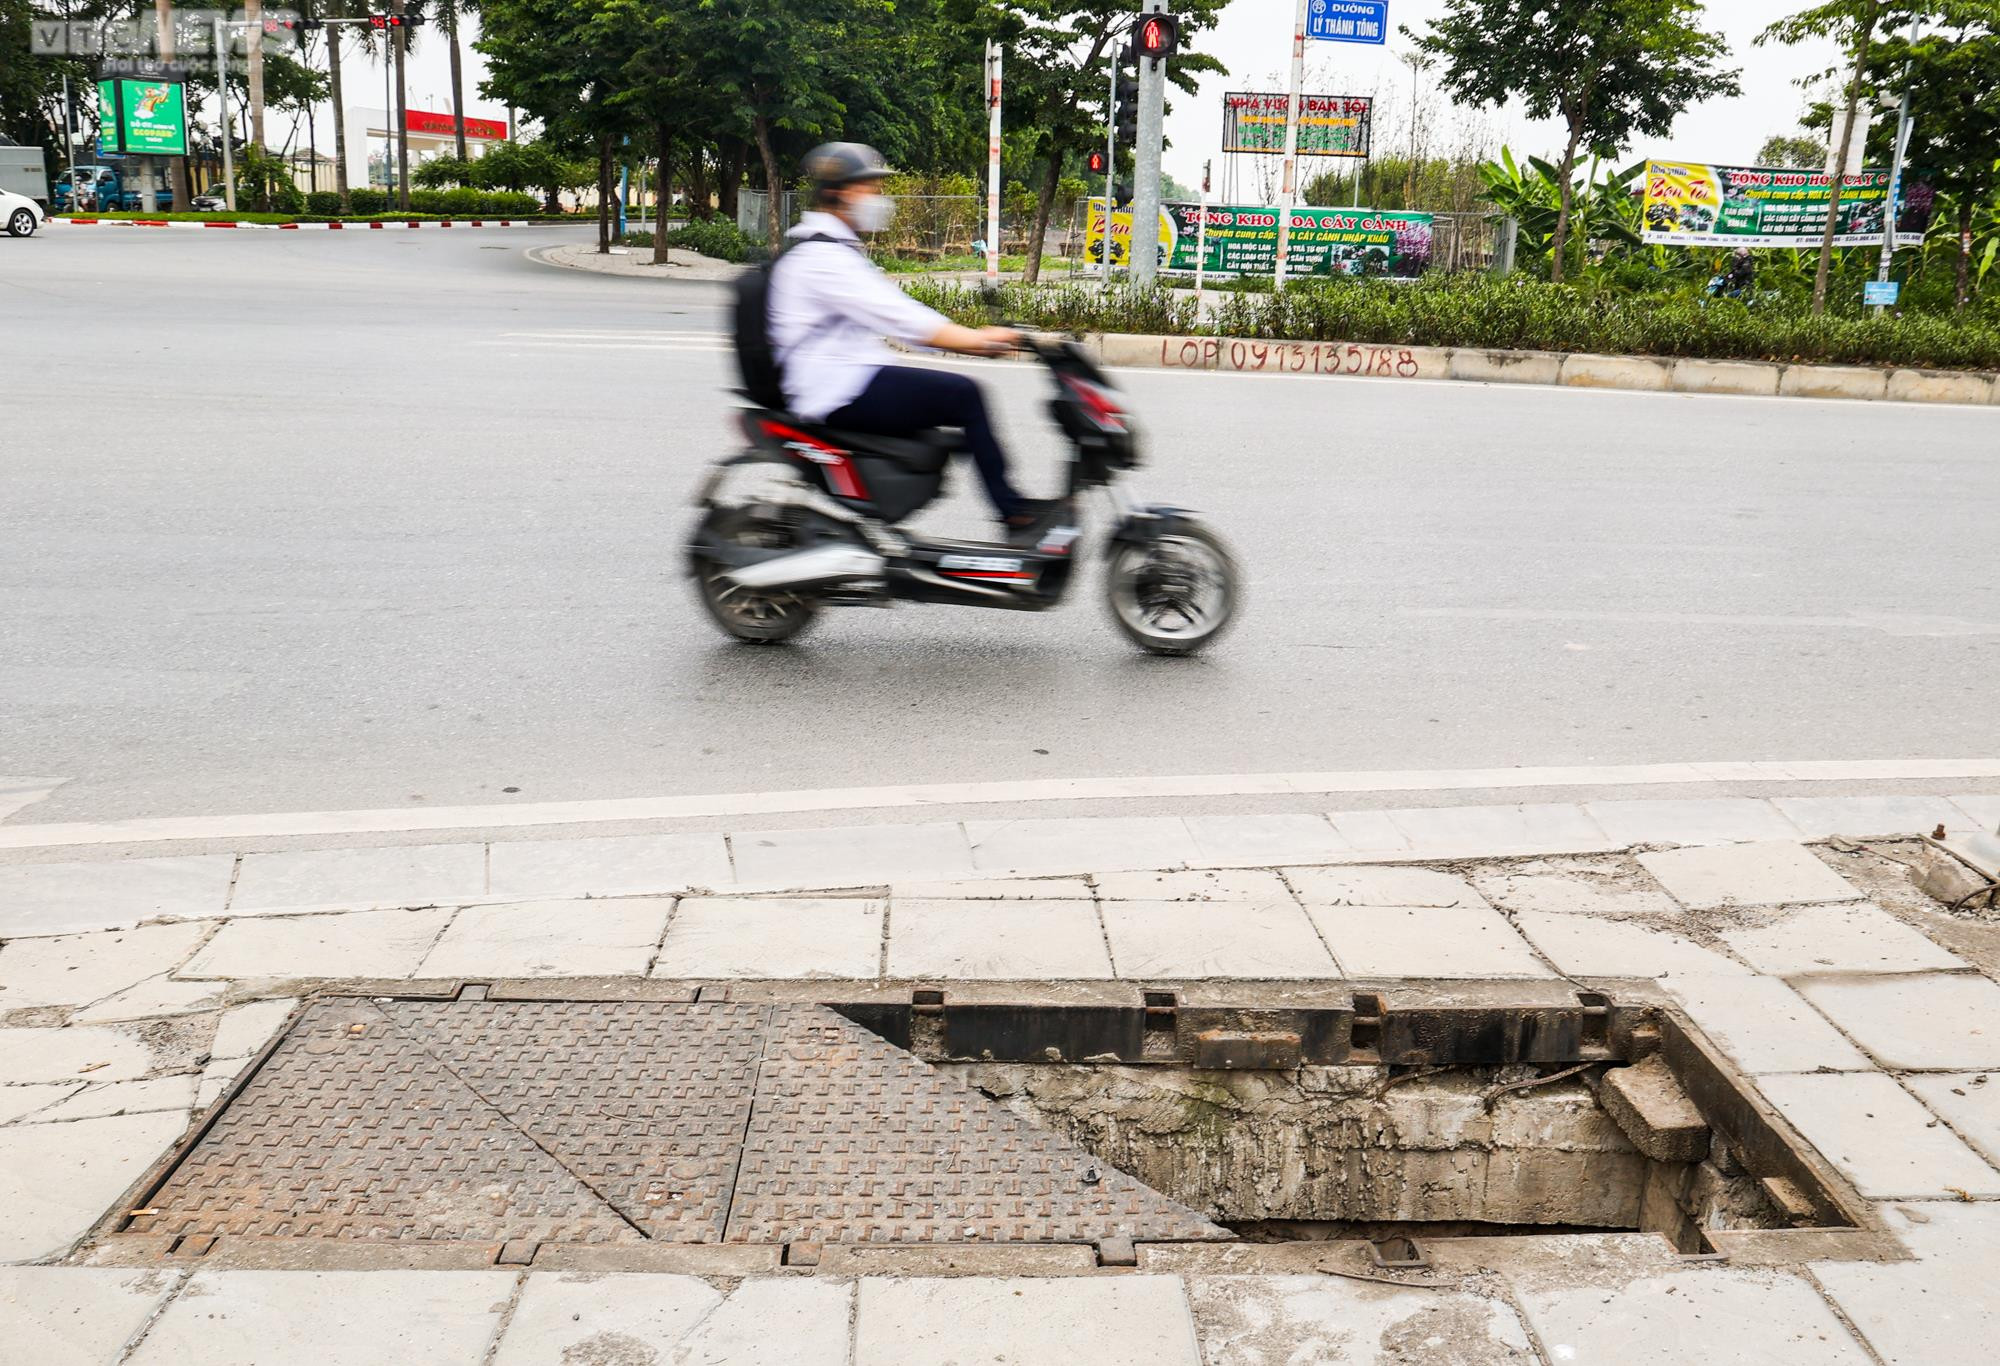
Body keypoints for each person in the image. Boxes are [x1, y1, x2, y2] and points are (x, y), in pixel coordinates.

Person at [768, 142, 1055, 538]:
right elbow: (903, 319)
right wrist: (977, 341)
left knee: (951, 415)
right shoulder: (823, 259)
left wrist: (969, 337)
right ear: (839, 193)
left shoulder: (835, 249)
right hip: (836, 389)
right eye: (871, 189)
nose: (879, 200)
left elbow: (897, 309)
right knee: (965, 396)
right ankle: (1013, 514)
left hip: (848, 377)